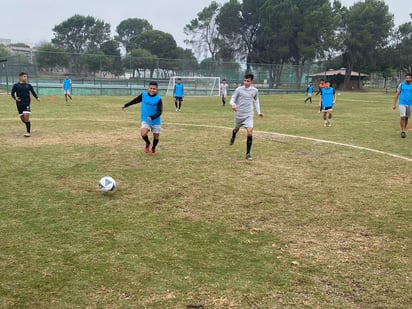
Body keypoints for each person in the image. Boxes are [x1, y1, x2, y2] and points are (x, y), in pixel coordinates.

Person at [122, 81, 163, 156]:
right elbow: (135, 100)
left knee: (156, 137)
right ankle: (148, 143)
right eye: (150, 88)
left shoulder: (158, 99)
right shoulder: (143, 95)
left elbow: (160, 111)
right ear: (148, 88)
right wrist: (126, 105)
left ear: (156, 89)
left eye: (154, 89)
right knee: (143, 134)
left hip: (156, 121)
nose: (152, 90)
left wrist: (152, 117)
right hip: (146, 119)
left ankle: (153, 147)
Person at [229, 73, 264, 161]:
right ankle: (233, 135)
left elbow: (256, 101)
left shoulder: (255, 91)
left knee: (249, 132)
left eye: (248, 81)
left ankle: (248, 153)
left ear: (251, 81)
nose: (246, 82)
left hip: (249, 114)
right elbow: (232, 99)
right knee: (236, 129)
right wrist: (233, 105)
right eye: (244, 80)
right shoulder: (239, 90)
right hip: (239, 114)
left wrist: (259, 112)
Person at [10, 72, 41, 137]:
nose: (26, 78)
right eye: (24, 76)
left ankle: (28, 132)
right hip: (19, 104)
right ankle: (28, 124)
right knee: (23, 119)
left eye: (26, 76)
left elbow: (33, 92)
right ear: (20, 77)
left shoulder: (28, 85)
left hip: (26, 103)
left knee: (26, 117)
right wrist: (15, 98)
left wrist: (37, 98)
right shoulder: (16, 85)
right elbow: (12, 93)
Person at [393, 73, 412, 138]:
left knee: (406, 118)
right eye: (407, 78)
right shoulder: (401, 85)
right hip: (402, 103)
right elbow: (397, 94)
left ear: (411, 79)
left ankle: (404, 129)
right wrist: (394, 104)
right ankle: (403, 131)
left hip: (410, 104)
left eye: (409, 78)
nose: (408, 79)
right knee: (403, 117)